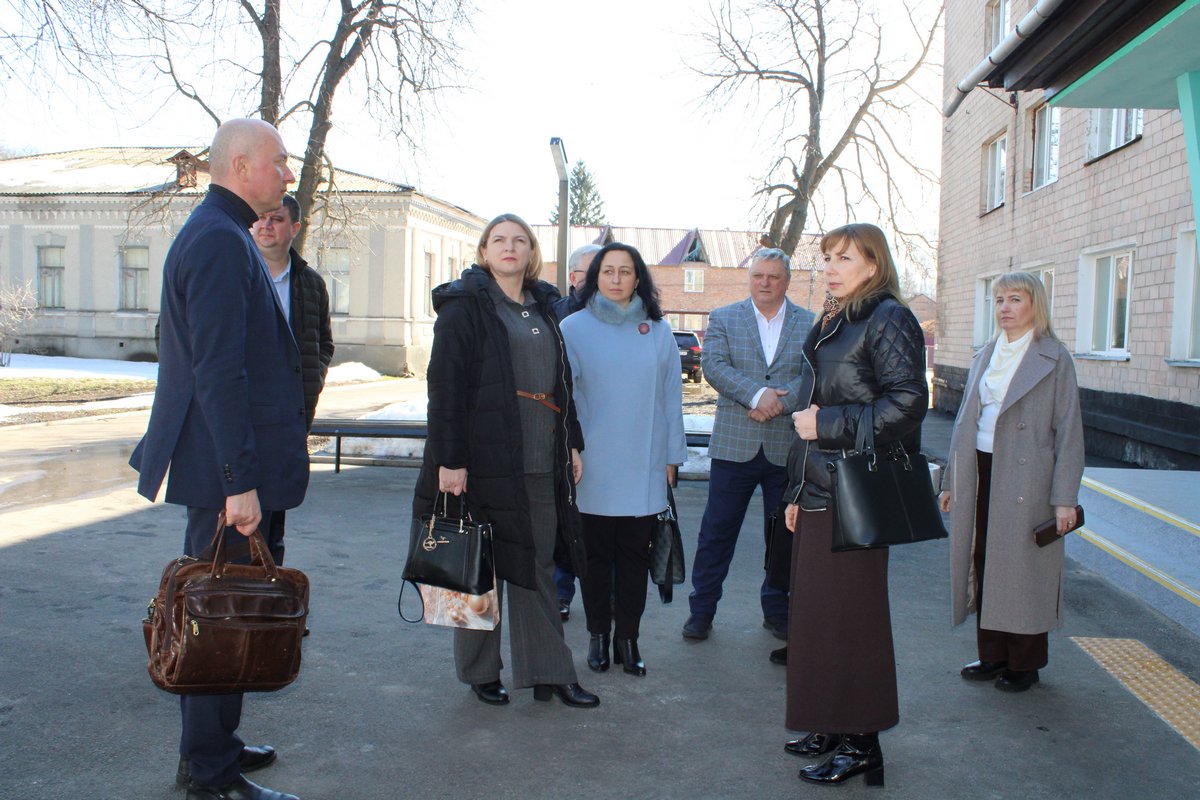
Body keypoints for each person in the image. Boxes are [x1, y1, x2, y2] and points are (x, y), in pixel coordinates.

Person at [129, 118, 306, 800]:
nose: (287, 174)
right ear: (240, 165)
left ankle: (211, 750)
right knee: (220, 616)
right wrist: (240, 481)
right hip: (228, 474)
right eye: (278, 162)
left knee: (227, 612)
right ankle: (211, 776)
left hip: (232, 469)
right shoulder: (218, 241)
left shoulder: (223, 233)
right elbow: (218, 371)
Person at [411, 213, 599, 708]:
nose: (509, 246)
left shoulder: (546, 307)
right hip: (481, 463)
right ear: (484, 251)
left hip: (540, 462)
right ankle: (479, 671)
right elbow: (444, 389)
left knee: (537, 568)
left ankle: (549, 671)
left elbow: (563, 385)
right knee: (481, 568)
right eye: (499, 239)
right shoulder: (464, 307)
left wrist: (571, 442)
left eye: (519, 240)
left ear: (532, 251)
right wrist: (450, 460)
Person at [782, 222, 926, 787]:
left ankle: (862, 742)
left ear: (874, 264)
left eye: (845, 258)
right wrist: (797, 491)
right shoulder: (836, 318)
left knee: (853, 623)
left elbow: (909, 404)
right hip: (821, 489)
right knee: (817, 619)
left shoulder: (889, 317)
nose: (831, 267)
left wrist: (829, 426)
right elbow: (811, 405)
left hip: (856, 493)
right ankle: (830, 723)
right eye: (827, 258)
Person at [939, 271, 1084, 693]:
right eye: (999, 300)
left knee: (1023, 569)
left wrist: (1064, 499)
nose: (1004, 307)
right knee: (983, 558)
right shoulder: (986, 353)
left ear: (1035, 305)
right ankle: (993, 655)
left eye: (1015, 299)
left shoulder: (1055, 357)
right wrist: (950, 481)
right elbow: (964, 420)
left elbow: (1069, 432)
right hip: (979, 468)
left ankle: (1025, 662)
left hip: (1028, 477)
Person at [560, 242, 687, 676]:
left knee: (634, 560)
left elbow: (671, 397)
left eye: (625, 271)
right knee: (595, 560)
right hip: (591, 463)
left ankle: (628, 639)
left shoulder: (659, 331)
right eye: (608, 270)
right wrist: (569, 449)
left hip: (644, 463)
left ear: (638, 278)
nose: (616, 279)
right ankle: (598, 634)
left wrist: (672, 457)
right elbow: (564, 397)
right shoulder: (572, 327)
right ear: (595, 276)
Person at [682, 248, 814, 647]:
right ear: (750, 277)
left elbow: (813, 374)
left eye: (774, 276)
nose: (765, 283)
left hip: (785, 447)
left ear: (787, 280)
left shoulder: (810, 322)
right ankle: (701, 610)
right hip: (734, 445)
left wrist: (779, 403)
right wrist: (757, 396)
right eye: (758, 275)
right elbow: (714, 366)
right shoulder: (724, 317)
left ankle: (777, 610)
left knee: (783, 536)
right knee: (716, 532)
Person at [251, 194, 335, 565]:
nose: (266, 225)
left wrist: (311, 381)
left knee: (271, 538)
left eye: (277, 219)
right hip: (241, 420)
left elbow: (324, 344)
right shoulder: (232, 272)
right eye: (261, 218)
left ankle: (270, 599)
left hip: (286, 425)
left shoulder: (310, 284)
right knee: (226, 541)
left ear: (295, 228)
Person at [550, 242, 603, 621]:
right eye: (593, 271)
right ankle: (560, 592)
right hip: (565, 433)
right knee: (565, 518)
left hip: (607, 434)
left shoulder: (621, 317)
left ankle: (605, 595)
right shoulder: (553, 316)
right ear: (573, 277)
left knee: (605, 521)